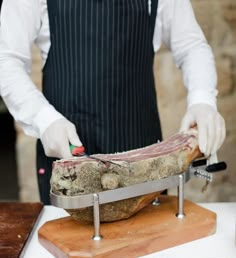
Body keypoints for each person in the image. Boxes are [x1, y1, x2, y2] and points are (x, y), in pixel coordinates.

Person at [0, 0, 225, 205]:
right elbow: (6, 59)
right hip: (67, 154)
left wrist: (203, 101)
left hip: (144, 159)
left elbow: (191, 47)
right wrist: (44, 120)